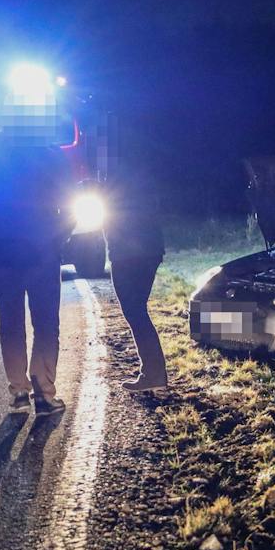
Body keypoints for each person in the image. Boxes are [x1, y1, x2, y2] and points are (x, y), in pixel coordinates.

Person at [0, 88, 73, 417]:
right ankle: (44, 392)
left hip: (3, 249)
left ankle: (19, 391)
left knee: (11, 322)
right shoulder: (51, 153)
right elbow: (70, 204)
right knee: (46, 323)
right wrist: (58, 236)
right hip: (43, 250)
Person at [104, 147, 167, 391]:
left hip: (128, 254)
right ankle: (153, 372)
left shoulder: (114, 183)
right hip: (149, 250)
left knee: (134, 311)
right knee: (137, 310)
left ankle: (153, 373)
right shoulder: (143, 177)